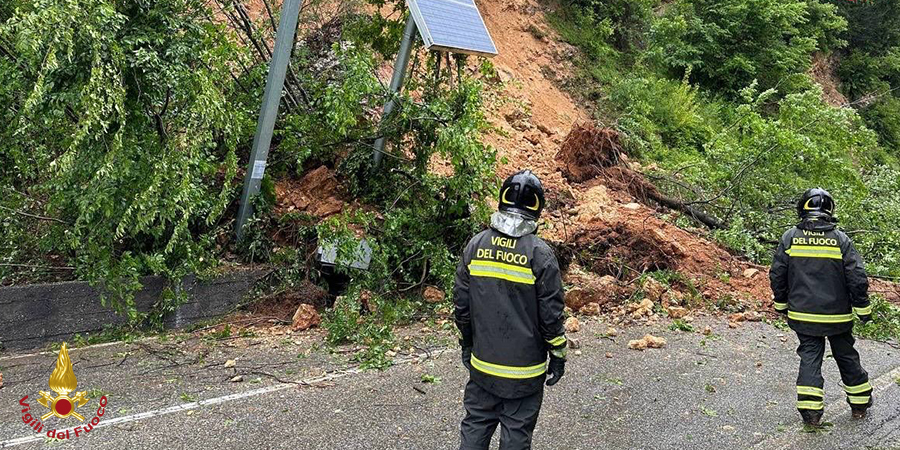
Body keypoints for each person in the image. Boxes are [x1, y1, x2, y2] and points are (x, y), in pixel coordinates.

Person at [453, 170, 567, 450]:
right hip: (524, 374)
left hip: (483, 367)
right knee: (516, 435)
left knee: (476, 424)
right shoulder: (540, 254)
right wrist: (559, 354)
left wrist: (468, 344)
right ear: (537, 207)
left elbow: (461, 306)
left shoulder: (476, 245)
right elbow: (551, 316)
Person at [769, 188, 873, 426]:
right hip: (838, 317)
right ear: (829, 211)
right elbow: (856, 276)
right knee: (846, 356)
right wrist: (863, 308)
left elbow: (777, 274)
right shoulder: (840, 240)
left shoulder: (790, 237)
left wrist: (781, 303)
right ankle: (859, 406)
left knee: (810, 357)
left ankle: (811, 414)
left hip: (802, 315)